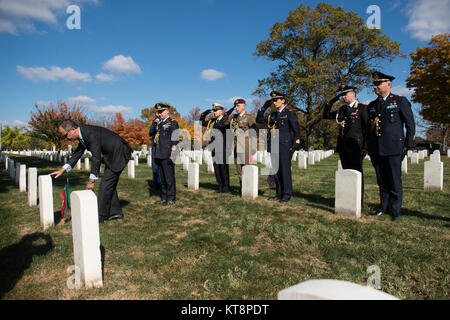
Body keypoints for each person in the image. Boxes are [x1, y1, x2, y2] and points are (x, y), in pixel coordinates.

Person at [50, 119, 133, 223]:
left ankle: (100, 216)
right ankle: (115, 212)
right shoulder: (83, 135)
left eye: (65, 135)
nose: (65, 138)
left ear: (73, 130)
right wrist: (62, 170)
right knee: (109, 185)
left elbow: (96, 158)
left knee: (105, 185)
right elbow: (77, 154)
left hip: (119, 154)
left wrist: (91, 181)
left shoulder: (90, 134)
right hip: (112, 156)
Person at [367, 71, 415, 220]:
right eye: (374, 84)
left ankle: (395, 211)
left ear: (388, 84)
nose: (375, 87)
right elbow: (370, 128)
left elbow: (410, 124)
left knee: (394, 181)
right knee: (382, 181)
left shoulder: (399, 101)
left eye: (378, 84)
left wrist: (408, 145)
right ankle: (383, 207)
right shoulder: (372, 105)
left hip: (394, 148)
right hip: (377, 148)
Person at [323, 84, 369, 205]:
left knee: (357, 173)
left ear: (353, 94)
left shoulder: (363, 108)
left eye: (345, 94)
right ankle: (348, 198)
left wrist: (365, 147)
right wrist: (331, 101)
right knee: (346, 172)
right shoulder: (342, 110)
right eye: (342, 95)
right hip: (344, 146)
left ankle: (358, 200)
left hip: (357, 146)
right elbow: (326, 115)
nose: (343, 97)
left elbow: (367, 129)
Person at [256, 91, 301, 202]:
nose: (274, 102)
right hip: (274, 144)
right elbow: (259, 120)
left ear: (283, 100)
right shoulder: (273, 115)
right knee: (276, 171)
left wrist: (295, 145)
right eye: (273, 101)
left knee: (285, 170)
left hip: (285, 145)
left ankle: (286, 194)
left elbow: (296, 131)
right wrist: (263, 109)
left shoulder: (289, 113)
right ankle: (279, 193)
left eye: (276, 100)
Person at [149, 103, 179, 205]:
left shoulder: (172, 123)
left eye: (161, 112)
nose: (159, 114)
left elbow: (175, 140)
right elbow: (151, 133)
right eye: (158, 112)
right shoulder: (159, 124)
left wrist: (173, 154)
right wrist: (154, 122)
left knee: (169, 178)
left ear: (167, 111)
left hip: (167, 155)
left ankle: (171, 198)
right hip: (159, 154)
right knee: (162, 178)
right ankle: (164, 197)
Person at [223, 98, 257, 190]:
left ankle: (248, 187)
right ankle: (242, 187)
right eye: (235, 106)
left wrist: (253, 147)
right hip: (236, 146)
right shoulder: (233, 117)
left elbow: (254, 131)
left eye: (238, 106)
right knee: (239, 169)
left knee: (246, 168)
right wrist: (226, 114)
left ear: (244, 105)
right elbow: (224, 122)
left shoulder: (249, 117)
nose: (236, 108)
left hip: (246, 146)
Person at [200, 103, 231, 193]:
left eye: (216, 110)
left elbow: (223, 127)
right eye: (213, 110)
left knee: (223, 168)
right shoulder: (212, 122)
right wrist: (203, 114)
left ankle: (226, 187)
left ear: (221, 111)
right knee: (216, 168)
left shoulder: (226, 121)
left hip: (223, 148)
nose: (214, 112)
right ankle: (220, 186)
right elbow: (202, 123)